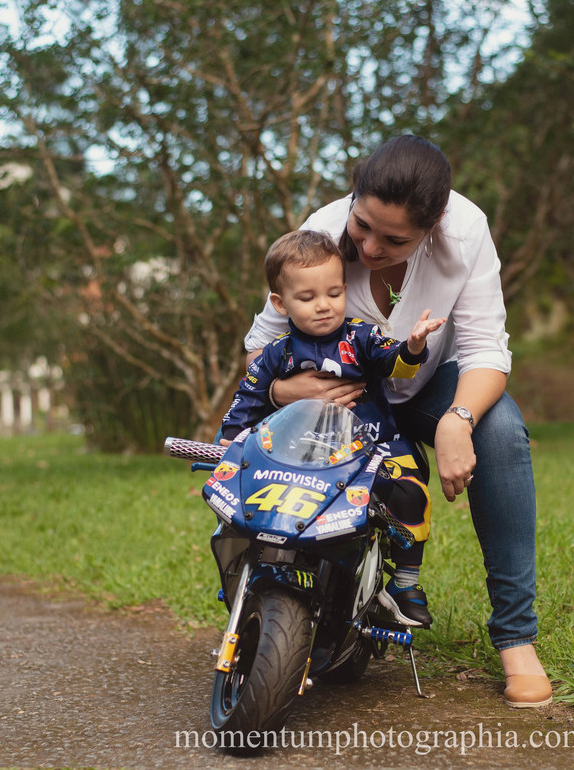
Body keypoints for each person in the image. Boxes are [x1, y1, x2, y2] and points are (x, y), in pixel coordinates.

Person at [243, 134, 552, 708]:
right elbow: (261, 344)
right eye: (362, 226)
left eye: (394, 239)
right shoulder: (324, 228)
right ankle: (308, 602)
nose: (368, 246)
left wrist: (458, 420)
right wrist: (287, 389)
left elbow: (487, 350)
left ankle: (516, 637)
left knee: (503, 433)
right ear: (353, 198)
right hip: (344, 393)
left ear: (432, 227)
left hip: (431, 382)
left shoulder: (467, 233)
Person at [221, 229, 446, 628]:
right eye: (307, 298)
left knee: (412, 491)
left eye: (334, 293)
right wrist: (228, 442)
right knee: (246, 493)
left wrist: (411, 347)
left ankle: (406, 583)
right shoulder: (275, 354)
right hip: (299, 452)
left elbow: (392, 362)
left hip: (373, 447)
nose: (323, 306)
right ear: (280, 303)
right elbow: (248, 398)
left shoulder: (362, 336)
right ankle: (248, 565)